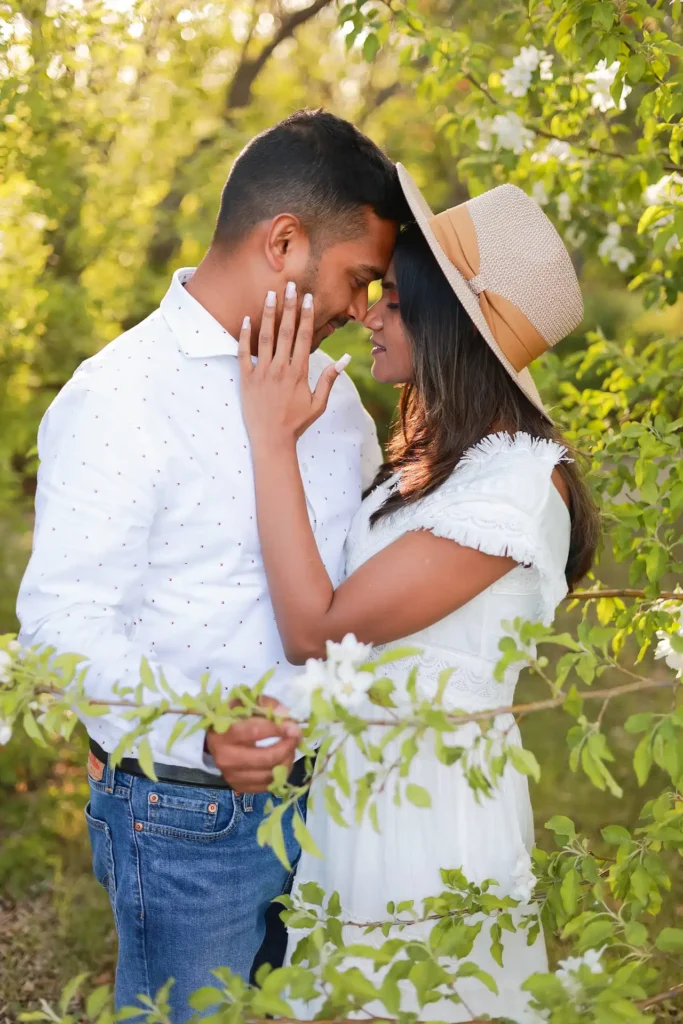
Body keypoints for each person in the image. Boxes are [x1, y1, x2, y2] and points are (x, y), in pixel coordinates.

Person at [16, 110, 408, 1019]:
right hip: (186, 826)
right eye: (357, 277)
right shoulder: (117, 396)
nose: (363, 307)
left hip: (333, 807)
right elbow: (59, 628)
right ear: (284, 242)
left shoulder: (335, 400)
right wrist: (199, 728)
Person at [236, 164, 601, 1021]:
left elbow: (318, 628)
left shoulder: (516, 483)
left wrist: (269, 440)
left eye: (391, 297)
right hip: (361, 792)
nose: (364, 309)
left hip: (432, 814)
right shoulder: (423, 463)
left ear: (447, 321)